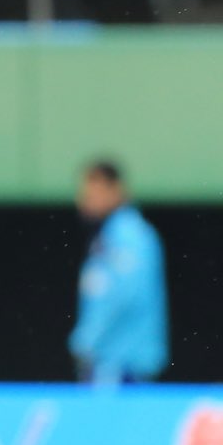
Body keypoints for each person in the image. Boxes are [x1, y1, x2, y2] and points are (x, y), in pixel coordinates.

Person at [69, 159, 168, 386]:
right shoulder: (110, 236)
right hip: (112, 361)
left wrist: (86, 341)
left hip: (121, 363)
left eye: (93, 192)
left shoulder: (129, 236)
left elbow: (123, 295)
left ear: (115, 190)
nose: (84, 200)